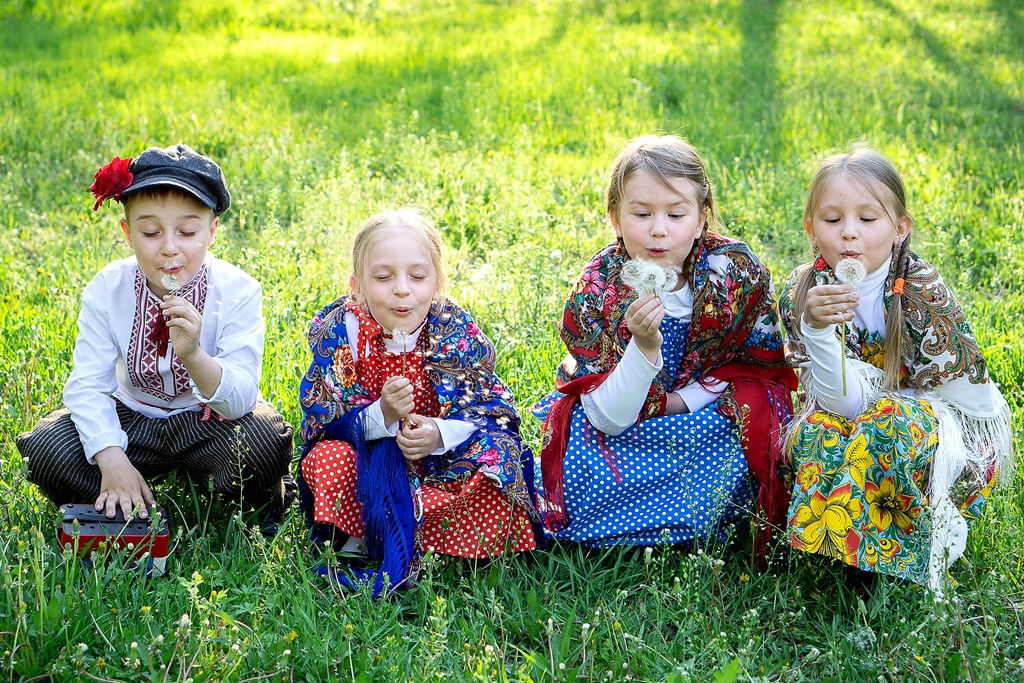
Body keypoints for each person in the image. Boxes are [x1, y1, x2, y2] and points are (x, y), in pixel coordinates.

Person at [535, 134, 797, 557]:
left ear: (700, 219)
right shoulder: (598, 287)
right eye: (641, 213)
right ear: (615, 218)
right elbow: (609, 417)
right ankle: (625, 526)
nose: (659, 229)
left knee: (747, 429)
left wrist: (684, 401)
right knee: (587, 454)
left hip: (701, 415)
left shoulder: (734, 273)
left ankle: (709, 517)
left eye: (676, 214)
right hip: (621, 417)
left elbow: (753, 368)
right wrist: (643, 346)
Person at [17, 144, 295, 527]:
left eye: (187, 231)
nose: (169, 248)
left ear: (212, 232)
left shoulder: (238, 290)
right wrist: (111, 457)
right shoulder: (107, 289)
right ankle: (123, 483)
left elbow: (242, 398)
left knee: (264, 441)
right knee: (49, 448)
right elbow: (87, 386)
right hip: (131, 417)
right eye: (150, 231)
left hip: (206, 422)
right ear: (127, 233)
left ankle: (237, 498)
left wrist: (195, 356)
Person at [778, 146, 1013, 593]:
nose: (849, 234)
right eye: (832, 221)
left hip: (934, 422)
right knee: (818, 430)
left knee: (888, 425)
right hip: (853, 411)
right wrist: (816, 328)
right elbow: (839, 401)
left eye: (868, 220)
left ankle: (895, 557)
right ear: (811, 228)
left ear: (899, 228)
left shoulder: (920, 290)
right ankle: (845, 547)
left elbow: (969, 403)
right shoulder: (804, 289)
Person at [297, 209, 540, 597]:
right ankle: (366, 535)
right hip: (368, 468)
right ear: (356, 285)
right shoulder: (342, 330)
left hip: (441, 465)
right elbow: (324, 414)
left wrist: (438, 433)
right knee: (326, 460)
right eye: (382, 277)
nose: (401, 289)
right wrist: (381, 416)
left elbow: (488, 408)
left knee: (499, 457)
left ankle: (425, 539)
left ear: (438, 282)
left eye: (417, 276)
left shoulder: (453, 328)